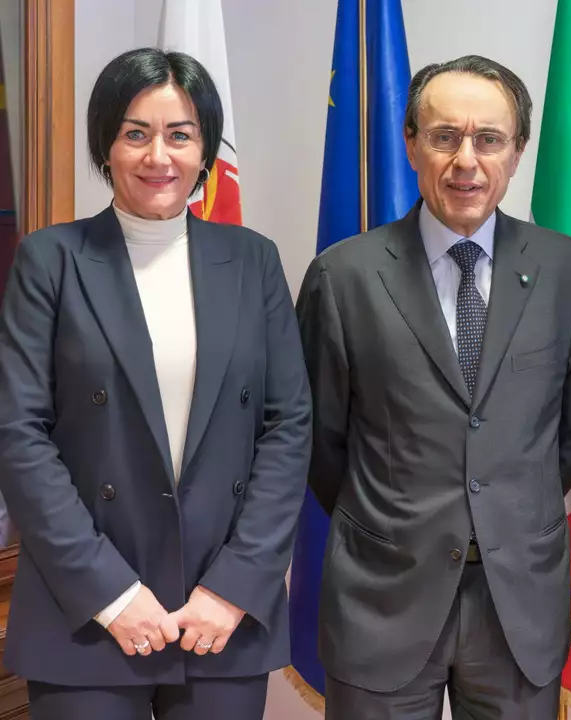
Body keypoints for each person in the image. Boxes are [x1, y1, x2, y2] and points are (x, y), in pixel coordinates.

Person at [0, 48, 311, 720]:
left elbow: (288, 428)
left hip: (218, 612)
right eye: (135, 133)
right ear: (105, 144)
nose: (158, 156)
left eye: (180, 134)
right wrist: (110, 594)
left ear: (205, 149)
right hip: (84, 610)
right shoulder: (50, 259)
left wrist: (235, 586)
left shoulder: (253, 261)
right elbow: (19, 434)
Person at [296, 55, 571, 718]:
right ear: (411, 144)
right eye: (445, 137)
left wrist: (502, 507)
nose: (467, 160)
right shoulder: (343, 277)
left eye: (489, 139)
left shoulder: (570, 273)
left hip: (515, 604)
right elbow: (320, 442)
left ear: (517, 152)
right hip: (382, 596)